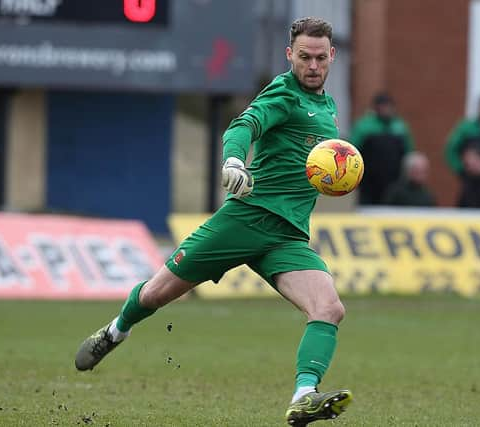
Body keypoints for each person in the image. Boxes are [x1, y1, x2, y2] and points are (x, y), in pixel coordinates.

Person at [74, 17, 353, 426]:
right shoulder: (283, 93)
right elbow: (245, 124)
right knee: (155, 295)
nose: (312, 66)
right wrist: (235, 159)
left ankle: (303, 396)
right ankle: (116, 331)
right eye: (304, 57)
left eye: (320, 58)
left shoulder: (327, 106)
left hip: (287, 235)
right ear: (289, 55)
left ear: (333, 56)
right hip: (247, 219)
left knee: (329, 307)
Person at [349, 93, 414, 205]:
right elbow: (352, 152)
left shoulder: (400, 126)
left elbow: (409, 153)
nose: (386, 110)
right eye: (383, 106)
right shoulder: (364, 126)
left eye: (388, 106)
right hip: (368, 182)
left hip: (394, 182)